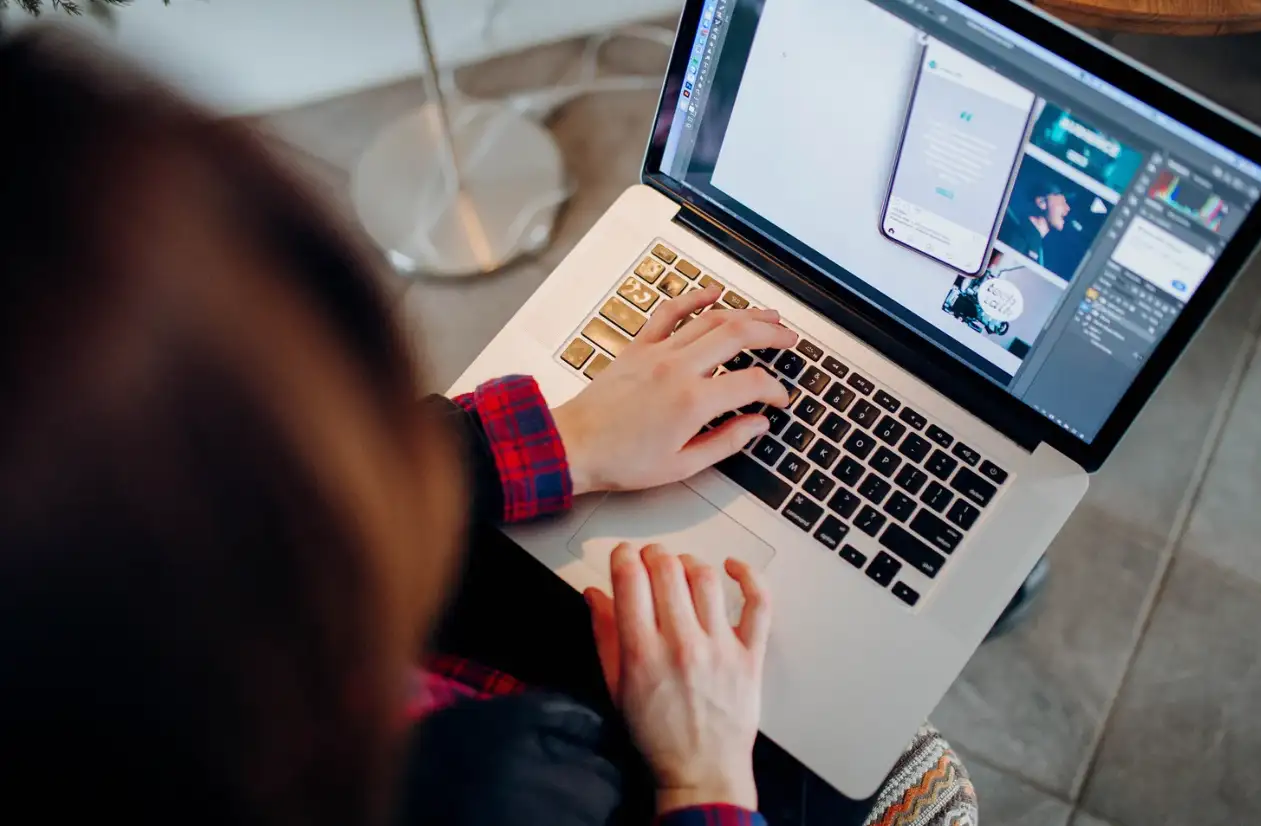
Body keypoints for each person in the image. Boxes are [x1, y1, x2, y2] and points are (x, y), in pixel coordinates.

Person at [0, 28, 976, 826]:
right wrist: (700, 774)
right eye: (349, 410)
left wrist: (575, 436)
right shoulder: (491, 791)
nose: (393, 438)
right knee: (833, 745)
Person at [997, 178, 1074, 269]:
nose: (1067, 209)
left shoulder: (1033, 241)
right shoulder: (1021, 236)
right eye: (1062, 203)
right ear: (1042, 203)